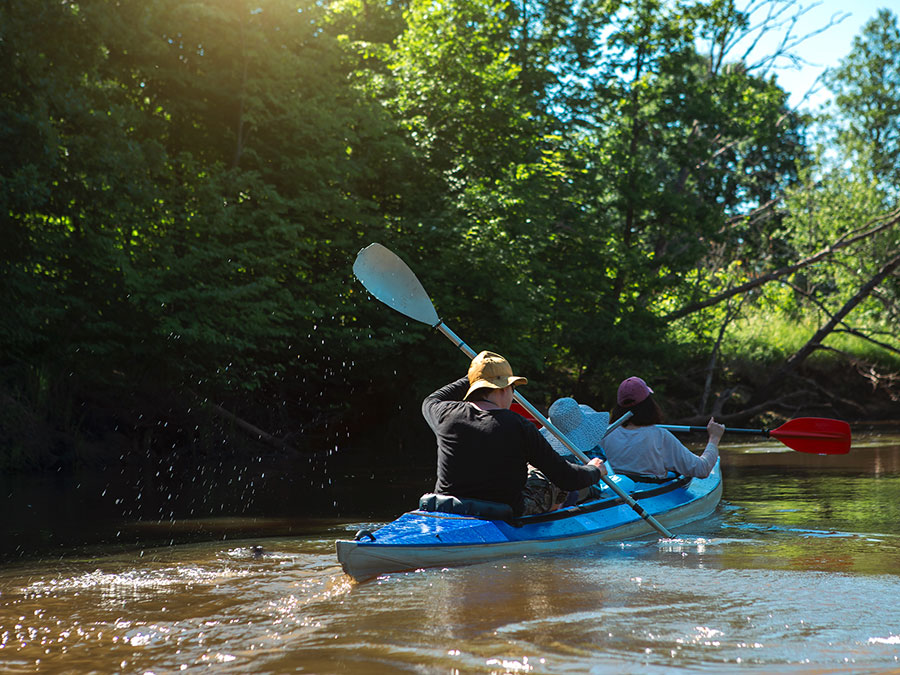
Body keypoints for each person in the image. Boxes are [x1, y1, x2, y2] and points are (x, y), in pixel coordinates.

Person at [421, 350, 607, 516]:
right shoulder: (519, 425)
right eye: (513, 387)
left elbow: (431, 399)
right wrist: (593, 470)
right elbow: (566, 477)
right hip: (505, 510)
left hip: (449, 505)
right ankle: (556, 512)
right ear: (503, 388)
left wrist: (477, 376)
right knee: (546, 477)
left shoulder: (445, 414)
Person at [602, 376, 724, 479]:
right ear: (648, 405)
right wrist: (714, 438)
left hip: (616, 492)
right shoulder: (660, 436)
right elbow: (702, 469)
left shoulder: (604, 434)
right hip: (650, 494)